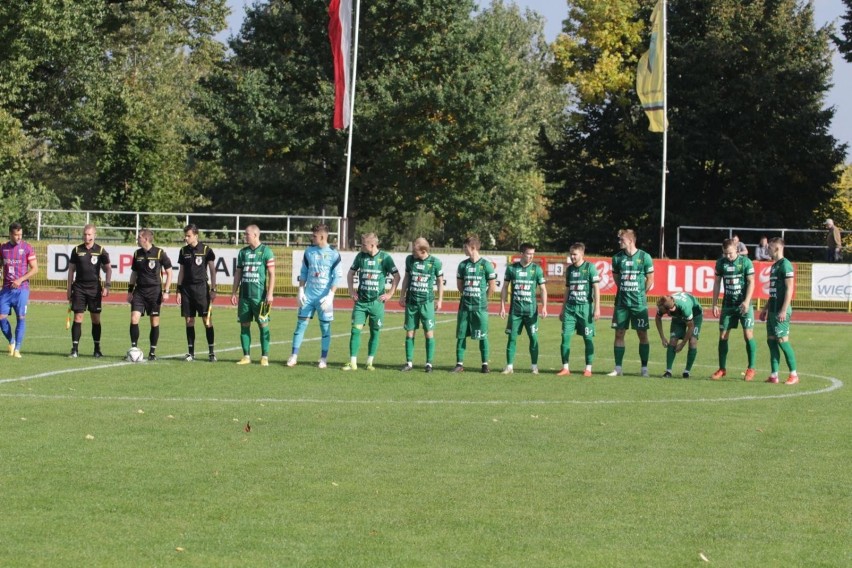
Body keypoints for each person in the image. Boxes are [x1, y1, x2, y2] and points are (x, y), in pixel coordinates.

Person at [343, 232, 399, 371]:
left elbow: (397, 276)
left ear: (373, 245)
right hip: (361, 302)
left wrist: (390, 294)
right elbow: (350, 273)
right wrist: (351, 291)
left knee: (375, 332)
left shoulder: (385, 258)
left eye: (364, 244)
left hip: (377, 303)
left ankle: (369, 362)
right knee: (355, 330)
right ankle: (353, 362)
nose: (361, 247)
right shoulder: (360, 256)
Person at [288, 224, 341, 369]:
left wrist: (331, 295)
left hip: (324, 298)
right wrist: (301, 290)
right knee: (300, 325)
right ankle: (294, 356)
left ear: (322, 237)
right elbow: (304, 272)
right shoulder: (309, 252)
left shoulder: (334, 253)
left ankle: (323, 358)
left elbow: (337, 276)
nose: (312, 238)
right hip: (309, 297)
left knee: (325, 328)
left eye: (314, 236)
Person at [608, 229, 654, 377]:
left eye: (621, 240)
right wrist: (624, 289)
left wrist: (640, 293)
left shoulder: (645, 257)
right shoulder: (616, 258)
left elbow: (650, 279)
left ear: (630, 241)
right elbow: (616, 278)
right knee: (619, 333)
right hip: (621, 303)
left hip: (638, 304)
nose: (619, 242)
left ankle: (644, 368)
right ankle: (618, 368)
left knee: (642, 334)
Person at [711, 238, 758, 381]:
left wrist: (746, 301)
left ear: (737, 250)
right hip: (728, 305)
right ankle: (722, 368)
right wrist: (714, 303)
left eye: (730, 253)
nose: (728, 256)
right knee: (723, 335)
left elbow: (751, 282)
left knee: (748, 334)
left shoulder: (745, 262)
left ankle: (751, 368)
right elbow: (717, 283)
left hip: (744, 304)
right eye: (725, 253)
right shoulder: (720, 263)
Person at [230, 224, 275, 366]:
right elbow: (238, 273)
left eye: (246, 234)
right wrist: (234, 291)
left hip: (260, 297)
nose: (244, 236)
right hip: (244, 297)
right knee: (244, 325)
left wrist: (270, 293)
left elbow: (272, 274)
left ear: (255, 235)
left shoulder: (266, 251)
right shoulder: (243, 252)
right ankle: (246, 356)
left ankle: (264, 357)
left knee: (263, 325)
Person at [500, 243, 547, 375]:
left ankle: (534, 366)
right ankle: (509, 366)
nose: (531, 256)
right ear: (521, 253)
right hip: (515, 312)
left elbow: (543, 289)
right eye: (528, 253)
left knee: (533, 338)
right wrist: (502, 306)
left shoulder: (537, 269)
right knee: (512, 338)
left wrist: (544, 307)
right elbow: (504, 287)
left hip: (531, 312)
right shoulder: (512, 269)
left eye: (533, 254)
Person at [67, 224, 112, 358]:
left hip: (94, 289)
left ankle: (97, 349)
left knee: (95, 319)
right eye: (85, 234)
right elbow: (71, 270)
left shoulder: (100, 250)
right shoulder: (76, 250)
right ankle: (74, 349)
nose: (87, 237)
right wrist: (69, 289)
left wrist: (107, 285)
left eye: (89, 234)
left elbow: (108, 269)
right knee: (78, 317)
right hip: (79, 288)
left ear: (94, 235)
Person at [399, 237, 444, 372]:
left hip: (427, 303)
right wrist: (402, 295)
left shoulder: (435, 262)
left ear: (423, 250)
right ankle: (409, 362)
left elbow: (440, 281)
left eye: (415, 250)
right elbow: (407, 277)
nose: (413, 252)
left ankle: (428, 363)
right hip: (412, 302)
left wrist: (440, 300)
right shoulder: (410, 260)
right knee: (409, 332)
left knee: (428, 333)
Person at [127, 229, 173, 361]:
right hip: (139, 291)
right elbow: (134, 273)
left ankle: (152, 352)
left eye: (139, 237)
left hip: (154, 292)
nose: (137, 240)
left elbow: (169, 272)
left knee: (154, 322)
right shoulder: (137, 254)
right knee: (134, 318)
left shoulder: (159, 253)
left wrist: (166, 291)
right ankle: (134, 349)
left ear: (145, 239)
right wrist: (130, 291)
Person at [453, 235, 497, 373]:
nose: (463, 250)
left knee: (483, 336)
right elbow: (460, 285)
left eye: (465, 247)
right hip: (465, 307)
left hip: (480, 308)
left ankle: (485, 365)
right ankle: (459, 364)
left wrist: (484, 299)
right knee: (461, 335)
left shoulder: (486, 265)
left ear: (472, 247)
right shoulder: (463, 265)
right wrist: (468, 294)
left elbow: (492, 286)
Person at [759, 237, 798, 384]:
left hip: (781, 310)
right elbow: (774, 291)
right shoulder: (774, 266)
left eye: (769, 247)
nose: (767, 249)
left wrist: (783, 310)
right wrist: (765, 309)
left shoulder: (785, 265)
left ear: (777, 248)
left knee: (782, 341)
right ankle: (774, 375)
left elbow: (789, 289)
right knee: (771, 342)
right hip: (773, 309)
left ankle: (794, 374)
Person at [557, 242, 600, 377]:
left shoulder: (590, 267)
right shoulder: (569, 270)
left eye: (574, 254)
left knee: (588, 339)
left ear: (582, 254)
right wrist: (563, 309)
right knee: (565, 337)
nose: (572, 257)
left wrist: (597, 308)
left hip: (585, 309)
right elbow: (567, 289)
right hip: (570, 308)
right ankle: (565, 368)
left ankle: (588, 368)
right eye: (571, 254)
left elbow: (596, 288)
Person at [176, 224, 217, 362]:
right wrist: (179, 290)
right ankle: (191, 353)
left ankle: (211, 353)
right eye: (185, 235)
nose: (186, 238)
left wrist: (213, 289)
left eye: (188, 235)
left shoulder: (206, 250)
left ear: (196, 236)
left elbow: (212, 270)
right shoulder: (183, 251)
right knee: (189, 320)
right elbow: (181, 271)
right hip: (187, 289)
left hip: (201, 289)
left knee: (206, 320)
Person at [0, 222, 38, 358]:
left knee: (21, 317)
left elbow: (35, 269)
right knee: (1, 318)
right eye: (16, 235)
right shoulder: (3, 248)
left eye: (20, 235)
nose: (18, 237)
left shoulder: (27, 247)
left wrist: (20, 279)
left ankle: (18, 349)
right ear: (10, 234)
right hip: (6, 290)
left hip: (22, 289)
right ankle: (11, 341)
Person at [655, 293, 702, 378]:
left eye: (668, 313)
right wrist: (662, 337)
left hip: (695, 315)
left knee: (692, 342)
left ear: (670, 309)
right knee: (672, 341)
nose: (668, 315)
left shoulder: (685, 307)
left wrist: (682, 344)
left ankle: (687, 372)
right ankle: (668, 371)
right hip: (678, 317)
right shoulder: (664, 304)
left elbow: (691, 327)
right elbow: (657, 318)